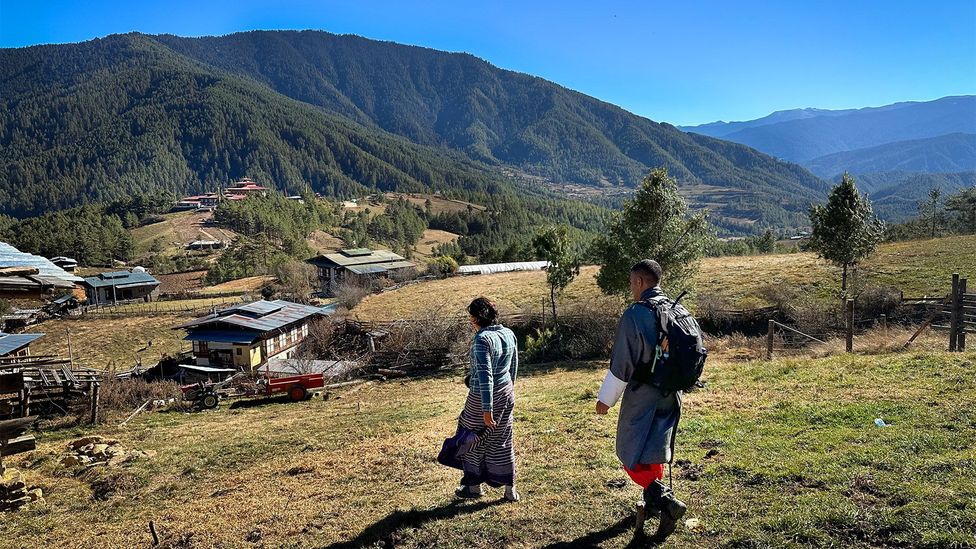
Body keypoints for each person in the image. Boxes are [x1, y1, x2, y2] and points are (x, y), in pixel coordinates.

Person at [595, 260, 687, 540]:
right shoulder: (677, 309)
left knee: (628, 452)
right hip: (672, 392)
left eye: (630, 282)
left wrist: (605, 400)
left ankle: (666, 502)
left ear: (639, 282)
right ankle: (655, 501)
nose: (630, 288)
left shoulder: (635, 314)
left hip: (643, 395)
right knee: (654, 449)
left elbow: (622, 363)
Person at [454, 297, 520, 502]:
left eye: (470, 317)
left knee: (469, 438)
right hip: (507, 393)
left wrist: (487, 408)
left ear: (475, 318)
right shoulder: (508, 333)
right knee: (503, 439)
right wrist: (508, 392)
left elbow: (485, 375)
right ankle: (510, 490)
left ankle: (474, 488)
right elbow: (513, 367)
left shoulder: (482, 340)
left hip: (482, 398)